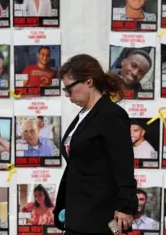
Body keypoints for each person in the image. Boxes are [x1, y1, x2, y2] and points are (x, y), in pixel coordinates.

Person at [54, 54, 138, 234]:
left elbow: (123, 164)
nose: (68, 95)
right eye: (65, 90)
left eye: (70, 88)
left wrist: (126, 206)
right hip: (78, 212)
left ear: (89, 81)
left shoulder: (112, 114)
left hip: (100, 214)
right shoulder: (84, 115)